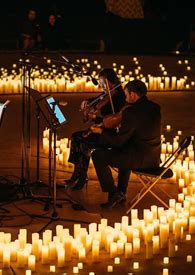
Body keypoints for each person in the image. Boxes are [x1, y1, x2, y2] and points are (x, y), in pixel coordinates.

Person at [90, 80, 161, 209]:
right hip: (153, 158)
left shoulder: (131, 112)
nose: (126, 98)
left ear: (133, 94)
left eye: (127, 94)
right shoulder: (155, 107)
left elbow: (118, 141)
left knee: (97, 155)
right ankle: (121, 192)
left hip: (139, 160)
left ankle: (113, 193)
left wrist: (101, 132)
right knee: (125, 152)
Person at [64, 68, 126, 190]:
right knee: (76, 137)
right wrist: (87, 101)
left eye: (103, 83)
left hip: (110, 133)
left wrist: (95, 118)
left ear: (111, 81)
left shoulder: (119, 98)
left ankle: (81, 177)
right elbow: (97, 99)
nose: (101, 86)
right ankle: (78, 173)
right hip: (103, 128)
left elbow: (112, 122)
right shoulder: (108, 93)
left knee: (84, 143)